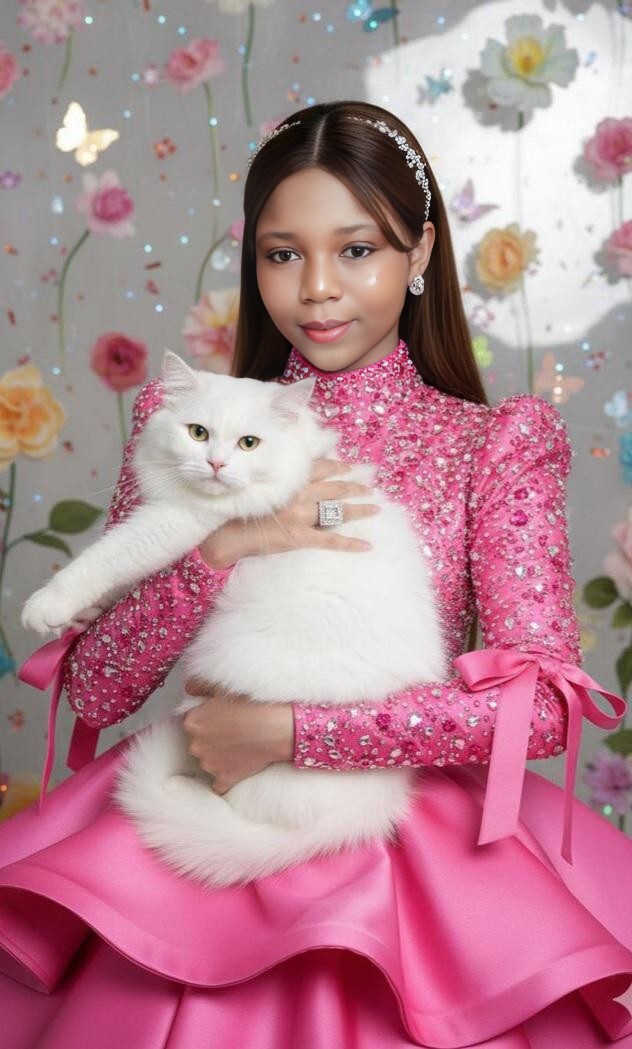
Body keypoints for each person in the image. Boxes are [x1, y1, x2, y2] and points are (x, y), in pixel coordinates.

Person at [1, 99, 631, 1049]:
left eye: (357, 250)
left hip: (393, 834)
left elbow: (540, 708)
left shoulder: (490, 441)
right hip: (210, 802)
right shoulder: (198, 423)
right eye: (282, 254)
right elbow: (98, 686)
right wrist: (219, 553)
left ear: (420, 253)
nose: (318, 289)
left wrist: (290, 732)